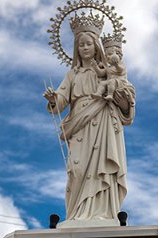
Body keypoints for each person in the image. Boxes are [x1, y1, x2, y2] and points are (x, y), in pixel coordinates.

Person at [43, 23, 135, 224]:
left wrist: (121, 99)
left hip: (103, 119)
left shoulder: (106, 71)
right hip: (79, 125)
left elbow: (125, 100)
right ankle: (76, 215)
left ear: (96, 46)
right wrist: (53, 99)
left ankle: (103, 213)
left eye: (88, 44)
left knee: (103, 166)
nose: (84, 48)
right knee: (76, 171)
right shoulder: (72, 75)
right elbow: (61, 99)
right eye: (80, 45)